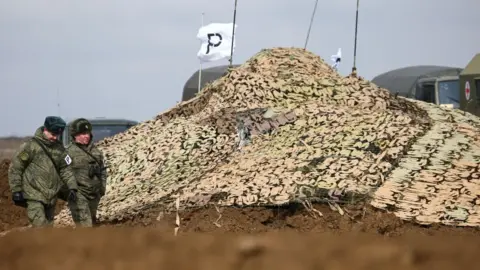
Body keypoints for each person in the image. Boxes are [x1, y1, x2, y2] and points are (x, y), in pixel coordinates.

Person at [8, 116, 78, 227]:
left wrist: (72, 187)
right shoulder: (30, 147)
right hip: (33, 194)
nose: (55, 138)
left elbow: (65, 169)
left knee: (48, 230)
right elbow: (16, 167)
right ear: (45, 130)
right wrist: (16, 190)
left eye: (57, 135)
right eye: (53, 134)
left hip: (51, 196)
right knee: (40, 226)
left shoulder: (60, 149)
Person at [62, 118, 107, 227]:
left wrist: (102, 188)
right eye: (82, 134)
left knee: (91, 222)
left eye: (87, 133)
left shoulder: (96, 152)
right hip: (79, 195)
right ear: (75, 135)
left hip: (94, 194)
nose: (86, 136)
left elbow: (103, 171)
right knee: (85, 225)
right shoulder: (68, 152)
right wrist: (69, 191)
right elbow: (63, 173)